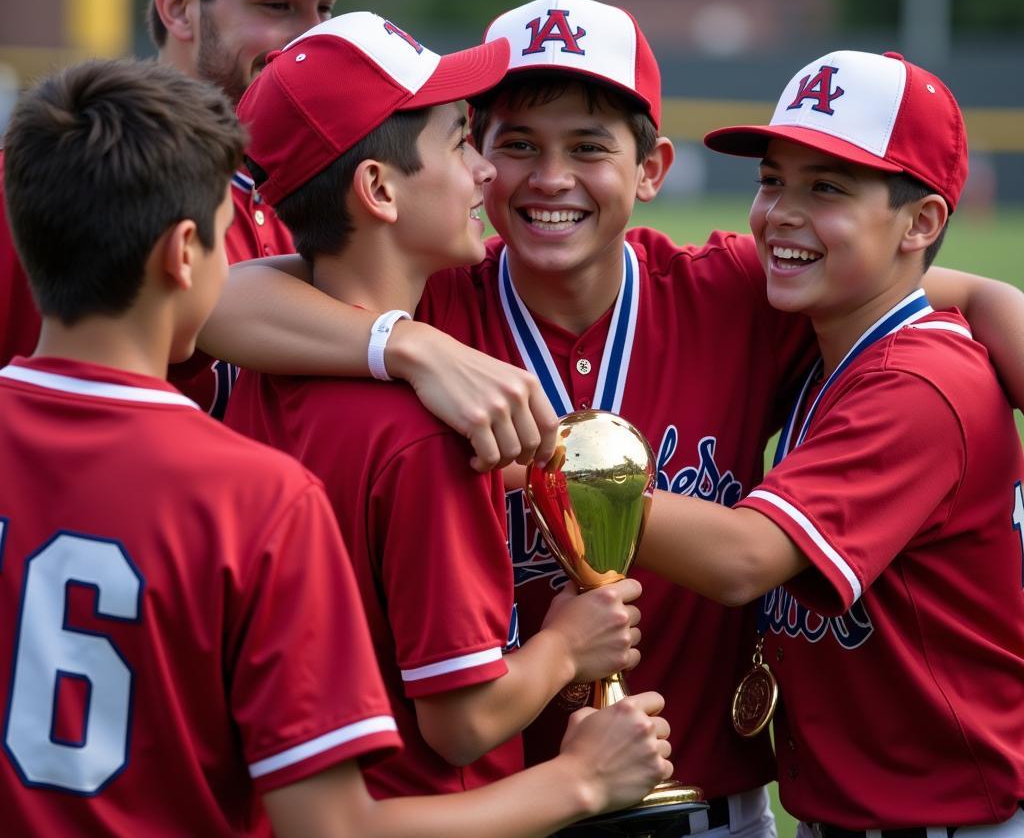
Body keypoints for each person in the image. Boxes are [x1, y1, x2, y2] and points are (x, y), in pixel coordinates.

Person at [199, 0, 1024, 838]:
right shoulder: (432, 294)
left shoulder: (734, 292)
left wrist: (996, 302)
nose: (550, 177)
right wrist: (405, 345)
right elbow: (217, 302)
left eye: (588, 146)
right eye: (517, 143)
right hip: (514, 805)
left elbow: (909, 293)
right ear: (479, 160)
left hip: (712, 808)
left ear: (652, 168)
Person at [0, 56, 673, 837]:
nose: (487, 170)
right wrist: (574, 730)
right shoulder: (396, 445)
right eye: (462, 143)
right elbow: (448, 734)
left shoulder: (253, 382)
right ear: (187, 254)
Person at [0, 0, 558, 467]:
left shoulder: (349, 178)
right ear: (178, 7)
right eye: (278, 5)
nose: (314, 32)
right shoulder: (62, 178)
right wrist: (408, 345)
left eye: (325, 6)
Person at [225, 12, 647, 801]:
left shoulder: (266, 368)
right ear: (379, 189)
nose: (486, 171)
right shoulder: (432, 431)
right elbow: (461, 722)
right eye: (459, 141)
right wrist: (565, 646)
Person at [639, 50, 1024, 834]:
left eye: (827, 188)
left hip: (947, 818)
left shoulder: (917, 382)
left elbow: (743, 559)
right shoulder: (839, 345)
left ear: (920, 223)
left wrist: (545, 473)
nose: (781, 211)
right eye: (773, 179)